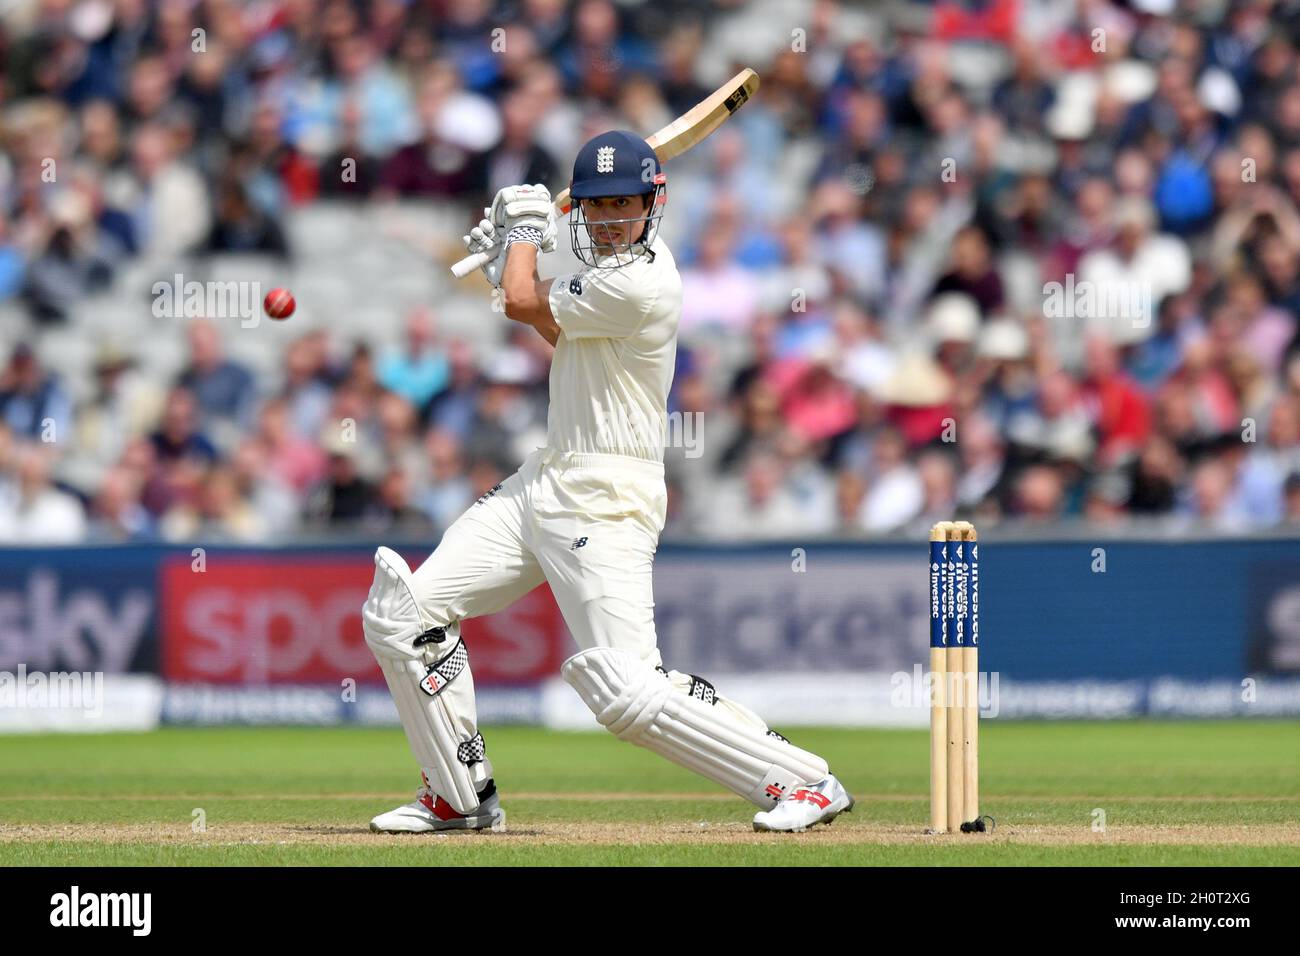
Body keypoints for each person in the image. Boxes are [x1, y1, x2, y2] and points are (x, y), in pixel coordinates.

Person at [361, 130, 854, 834]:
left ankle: (804, 781)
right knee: (404, 614)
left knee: (625, 692)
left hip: (607, 497)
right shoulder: (603, 284)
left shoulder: (644, 280)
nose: (610, 218)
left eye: (625, 204)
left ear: (656, 202)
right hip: (545, 478)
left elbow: (525, 302)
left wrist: (522, 236)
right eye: (596, 206)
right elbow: (553, 326)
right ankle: (456, 796)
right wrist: (513, 252)